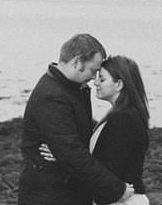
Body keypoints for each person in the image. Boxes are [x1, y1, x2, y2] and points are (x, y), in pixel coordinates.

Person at [18, 33, 136, 205]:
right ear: (77, 62)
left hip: (65, 188)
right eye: (93, 70)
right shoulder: (52, 96)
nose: (94, 78)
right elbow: (72, 153)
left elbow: (74, 142)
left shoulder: (72, 88)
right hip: (48, 193)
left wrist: (64, 151)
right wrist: (117, 189)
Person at [39, 55, 151, 204]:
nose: (95, 82)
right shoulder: (123, 115)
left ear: (119, 85)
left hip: (123, 200)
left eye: (102, 79)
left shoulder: (124, 119)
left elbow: (108, 169)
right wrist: (64, 153)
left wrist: (64, 160)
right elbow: (101, 157)